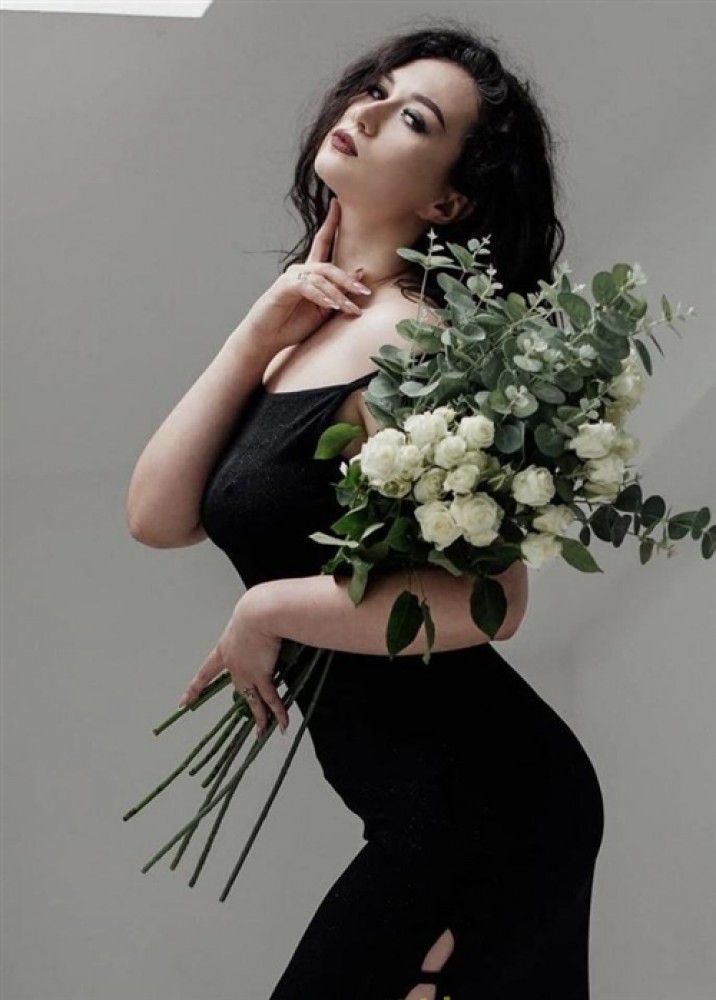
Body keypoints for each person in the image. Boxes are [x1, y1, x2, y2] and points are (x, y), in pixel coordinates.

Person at [127, 21, 605, 1000]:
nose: (368, 111)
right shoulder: (302, 330)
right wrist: (256, 331)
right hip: (427, 812)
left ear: (446, 200)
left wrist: (267, 609)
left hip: (487, 806)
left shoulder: (421, 347)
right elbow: (158, 515)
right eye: (375, 90)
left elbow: (493, 602)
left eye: (411, 118)